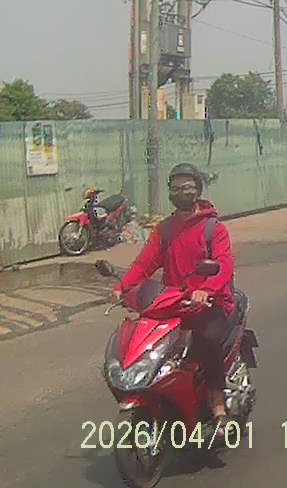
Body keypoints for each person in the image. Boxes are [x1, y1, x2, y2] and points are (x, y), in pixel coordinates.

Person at [111, 163, 235, 436]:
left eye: (188, 187)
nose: (182, 192)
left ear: (198, 190)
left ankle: (218, 408)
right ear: (170, 192)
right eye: (177, 188)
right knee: (145, 337)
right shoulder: (165, 230)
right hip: (173, 302)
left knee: (206, 340)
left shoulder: (213, 228)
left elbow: (224, 265)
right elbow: (144, 263)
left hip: (208, 303)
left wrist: (207, 289)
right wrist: (123, 286)